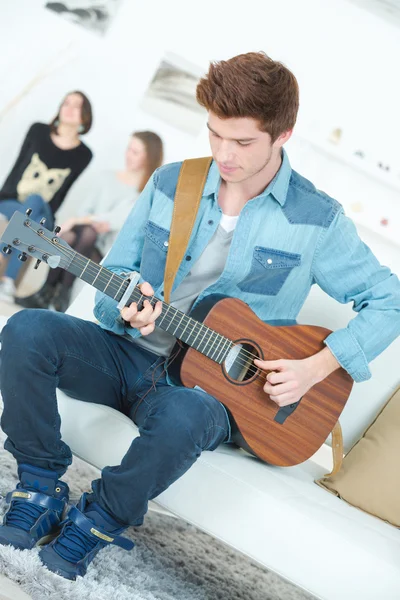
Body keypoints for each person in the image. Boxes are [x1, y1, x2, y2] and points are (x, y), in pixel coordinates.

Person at [0, 51, 399, 581]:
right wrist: (126, 309)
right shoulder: (171, 183)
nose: (224, 154)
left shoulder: (316, 221)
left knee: (187, 414)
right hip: (126, 352)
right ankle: (39, 482)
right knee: (25, 330)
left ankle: (99, 520)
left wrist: (316, 368)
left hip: (209, 394)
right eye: (214, 134)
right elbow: (116, 271)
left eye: (242, 142)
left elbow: (389, 300)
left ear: (283, 135)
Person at [15, 130, 163, 312]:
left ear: (149, 158)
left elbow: (116, 220)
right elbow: (85, 210)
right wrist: (89, 220)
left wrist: (83, 220)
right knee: (72, 237)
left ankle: (50, 293)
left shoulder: (145, 193)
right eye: (128, 149)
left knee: (85, 234)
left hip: (105, 248)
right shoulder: (106, 177)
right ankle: (55, 294)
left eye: (135, 152)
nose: (128, 155)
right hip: (84, 236)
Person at [0, 91, 93, 302]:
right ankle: (8, 281)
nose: (68, 108)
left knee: (35, 204)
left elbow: (62, 191)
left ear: (85, 116)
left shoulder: (84, 154)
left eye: (76, 106)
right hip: (10, 201)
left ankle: (2, 255)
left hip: (45, 212)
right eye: (66, 102)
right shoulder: (38, 130)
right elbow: (18, 166)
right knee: (31, 207)